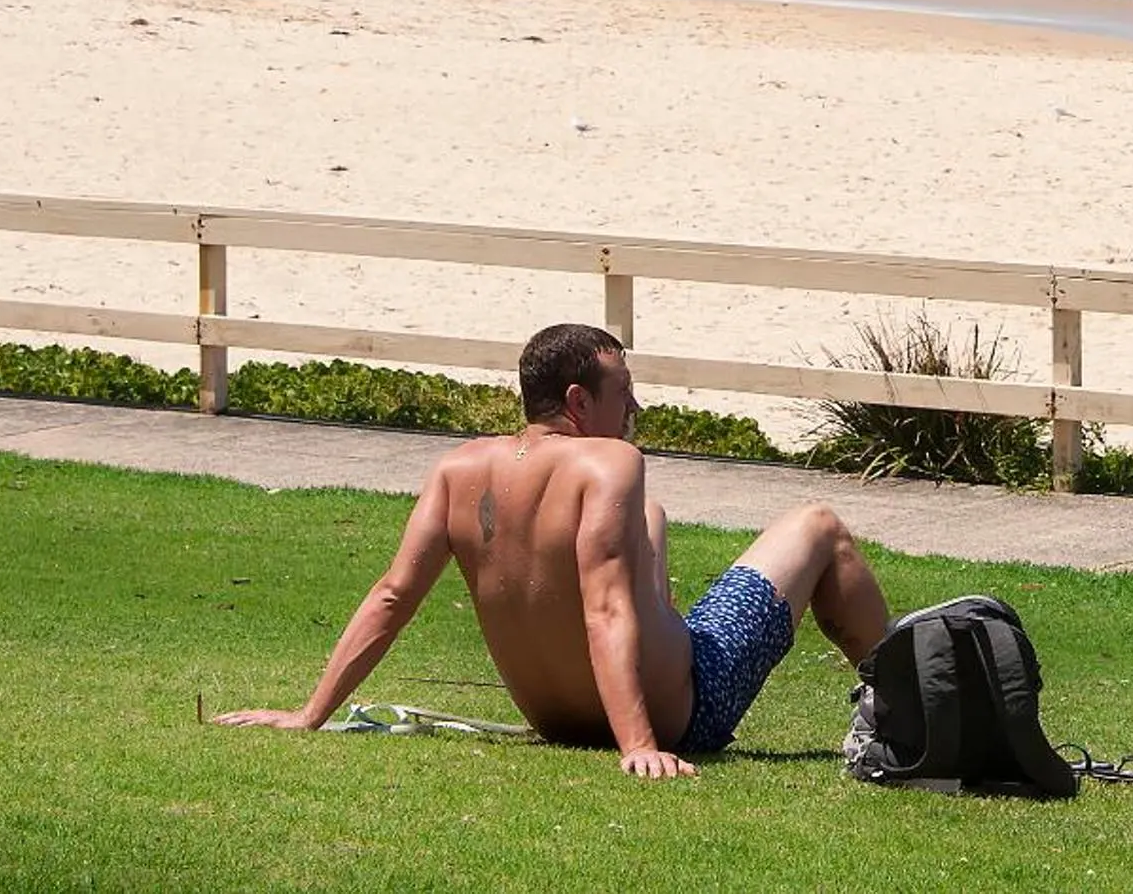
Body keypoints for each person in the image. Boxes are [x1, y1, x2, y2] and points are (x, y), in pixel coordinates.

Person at [217, 323, 890, 775]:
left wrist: (311, 715)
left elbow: (393, 596)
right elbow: (604, 610)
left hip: (557, 715)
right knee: (816, 525)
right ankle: (907, 710)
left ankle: (884, 701)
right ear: (578, 400)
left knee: (649, 519)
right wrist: (641, 746)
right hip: (687, 709)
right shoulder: (608, 463)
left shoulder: (457, 469)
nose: (634, 409)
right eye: (622, 392)